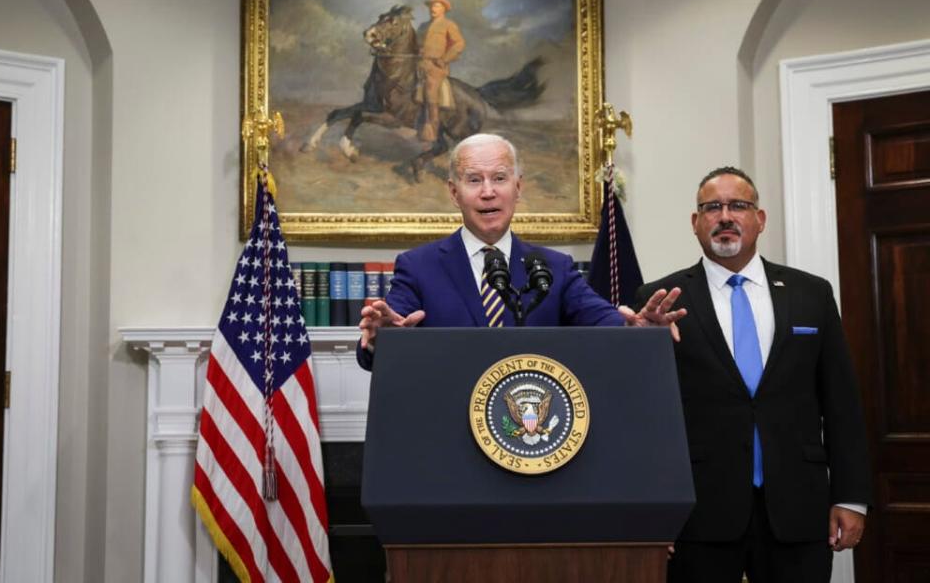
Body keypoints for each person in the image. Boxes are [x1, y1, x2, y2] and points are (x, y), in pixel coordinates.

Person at [636, 166, 871, 583]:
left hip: (798, 509)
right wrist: (652, 511)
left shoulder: (811, 293)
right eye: (712, 207)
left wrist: (851, 498)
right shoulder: (660, 300)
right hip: (698, 515)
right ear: (696, 223)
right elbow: (646, 418)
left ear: (759, 219)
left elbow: (841, 403)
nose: (725, 216)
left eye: (738, 206)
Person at [357, 133, 685, 369]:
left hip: (534, 430)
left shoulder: (554, 267)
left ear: (518, 187)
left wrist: (637, 332)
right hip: (450, 430)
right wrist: (380, 339)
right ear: (454, 193)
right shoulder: (418, 267)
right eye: (474, 180)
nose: (488, 192)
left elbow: (604, 322)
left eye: (499, 178)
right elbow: (386, 332)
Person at [416, 0, 465, 143]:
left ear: (444, 8)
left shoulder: (448, 25)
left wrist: (444, 59)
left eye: (436, 5)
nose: (433, 8)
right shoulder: (423, 26)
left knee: (431, 92)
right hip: (419, 64)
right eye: (431, 5)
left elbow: (459, 44)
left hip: (436, 68)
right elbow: (416, 44)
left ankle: (432, 131)